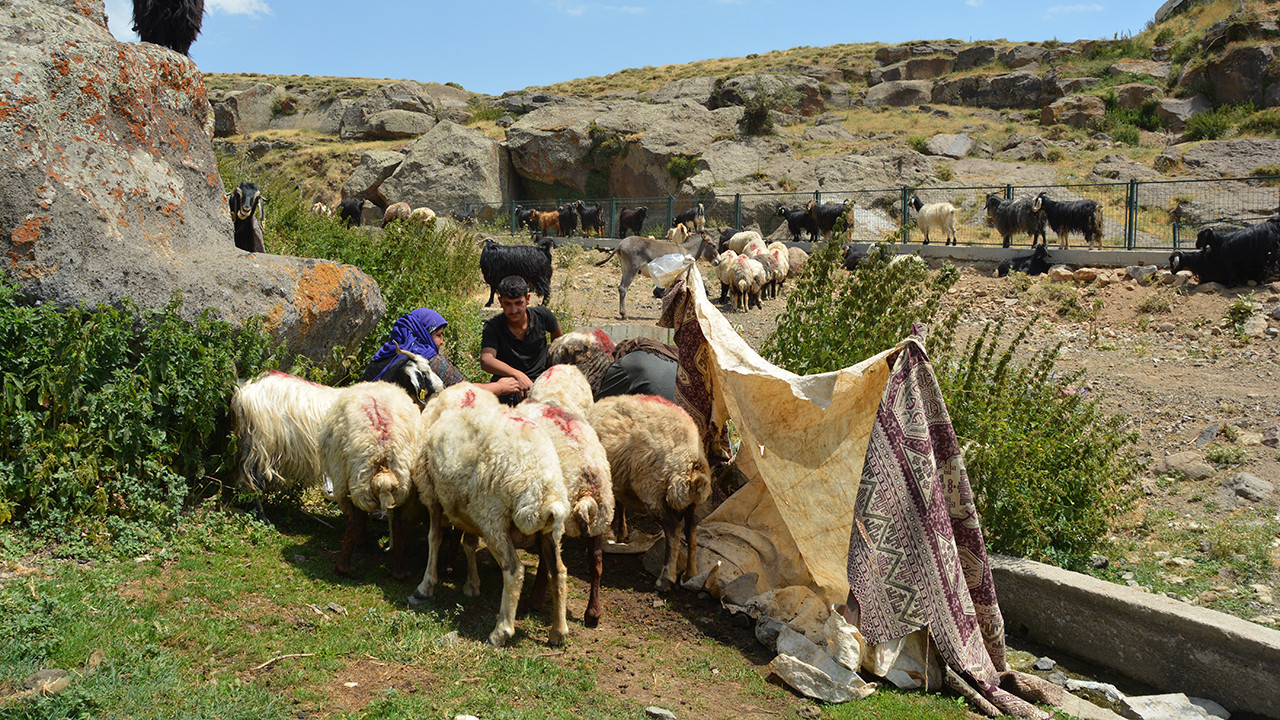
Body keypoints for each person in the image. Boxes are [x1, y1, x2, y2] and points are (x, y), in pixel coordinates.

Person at [362, 307, 520, 398]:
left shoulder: (384, 354)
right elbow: (464, 390)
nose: (441, 341)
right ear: (423, 333)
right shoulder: (428, 361)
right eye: (438, 335)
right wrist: (499, 387)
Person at [481, 275, 562, 404]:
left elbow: (558, 338)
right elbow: (487, 360)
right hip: (510, 382)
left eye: (519, 303)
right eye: (508, 304)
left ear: (528, 299)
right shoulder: (493, 326)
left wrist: (552, 367)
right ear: (500, 301)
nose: (513, 310)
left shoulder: (542, 316)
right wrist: (517, 375)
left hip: (541, 379)